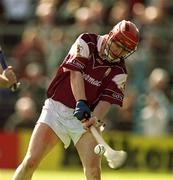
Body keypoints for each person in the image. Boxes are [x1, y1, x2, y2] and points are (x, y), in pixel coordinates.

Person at [12, 19, 139, 180]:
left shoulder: (120, 71)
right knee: (30, 161)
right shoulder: (87, 41)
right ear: (111, 35)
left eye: (125, 49)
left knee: (94, 173)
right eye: (118, 45)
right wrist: (81, 102)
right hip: (56, 109)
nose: (119, 52)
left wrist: (95, 119)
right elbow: (75, 72)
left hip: (85, 121)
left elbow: (107, 100)